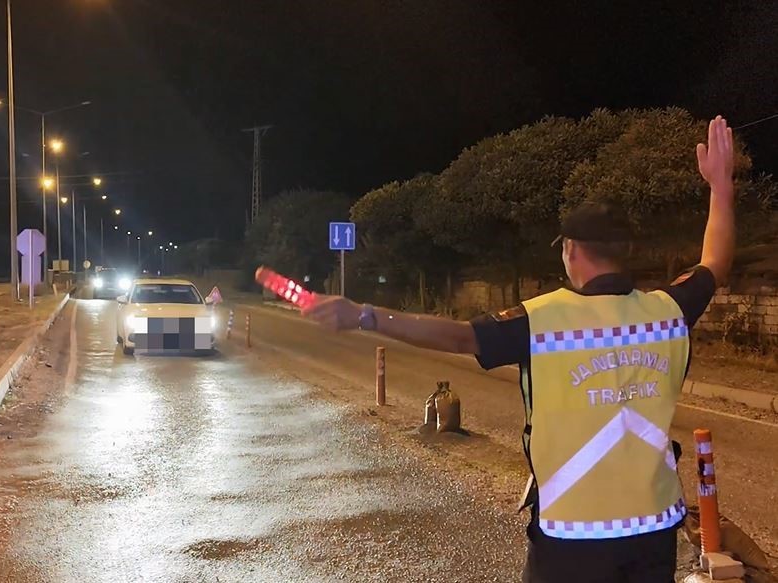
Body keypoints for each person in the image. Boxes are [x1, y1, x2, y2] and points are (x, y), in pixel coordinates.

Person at [302, 116, 736, 582]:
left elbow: (456, 335)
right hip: (654, 531)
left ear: (570, 250)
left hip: (572, 538)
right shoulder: (667, 311)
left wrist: (364, 314)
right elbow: (715, 261)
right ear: (623, 251)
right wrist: (720, 185)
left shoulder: (541, 320)